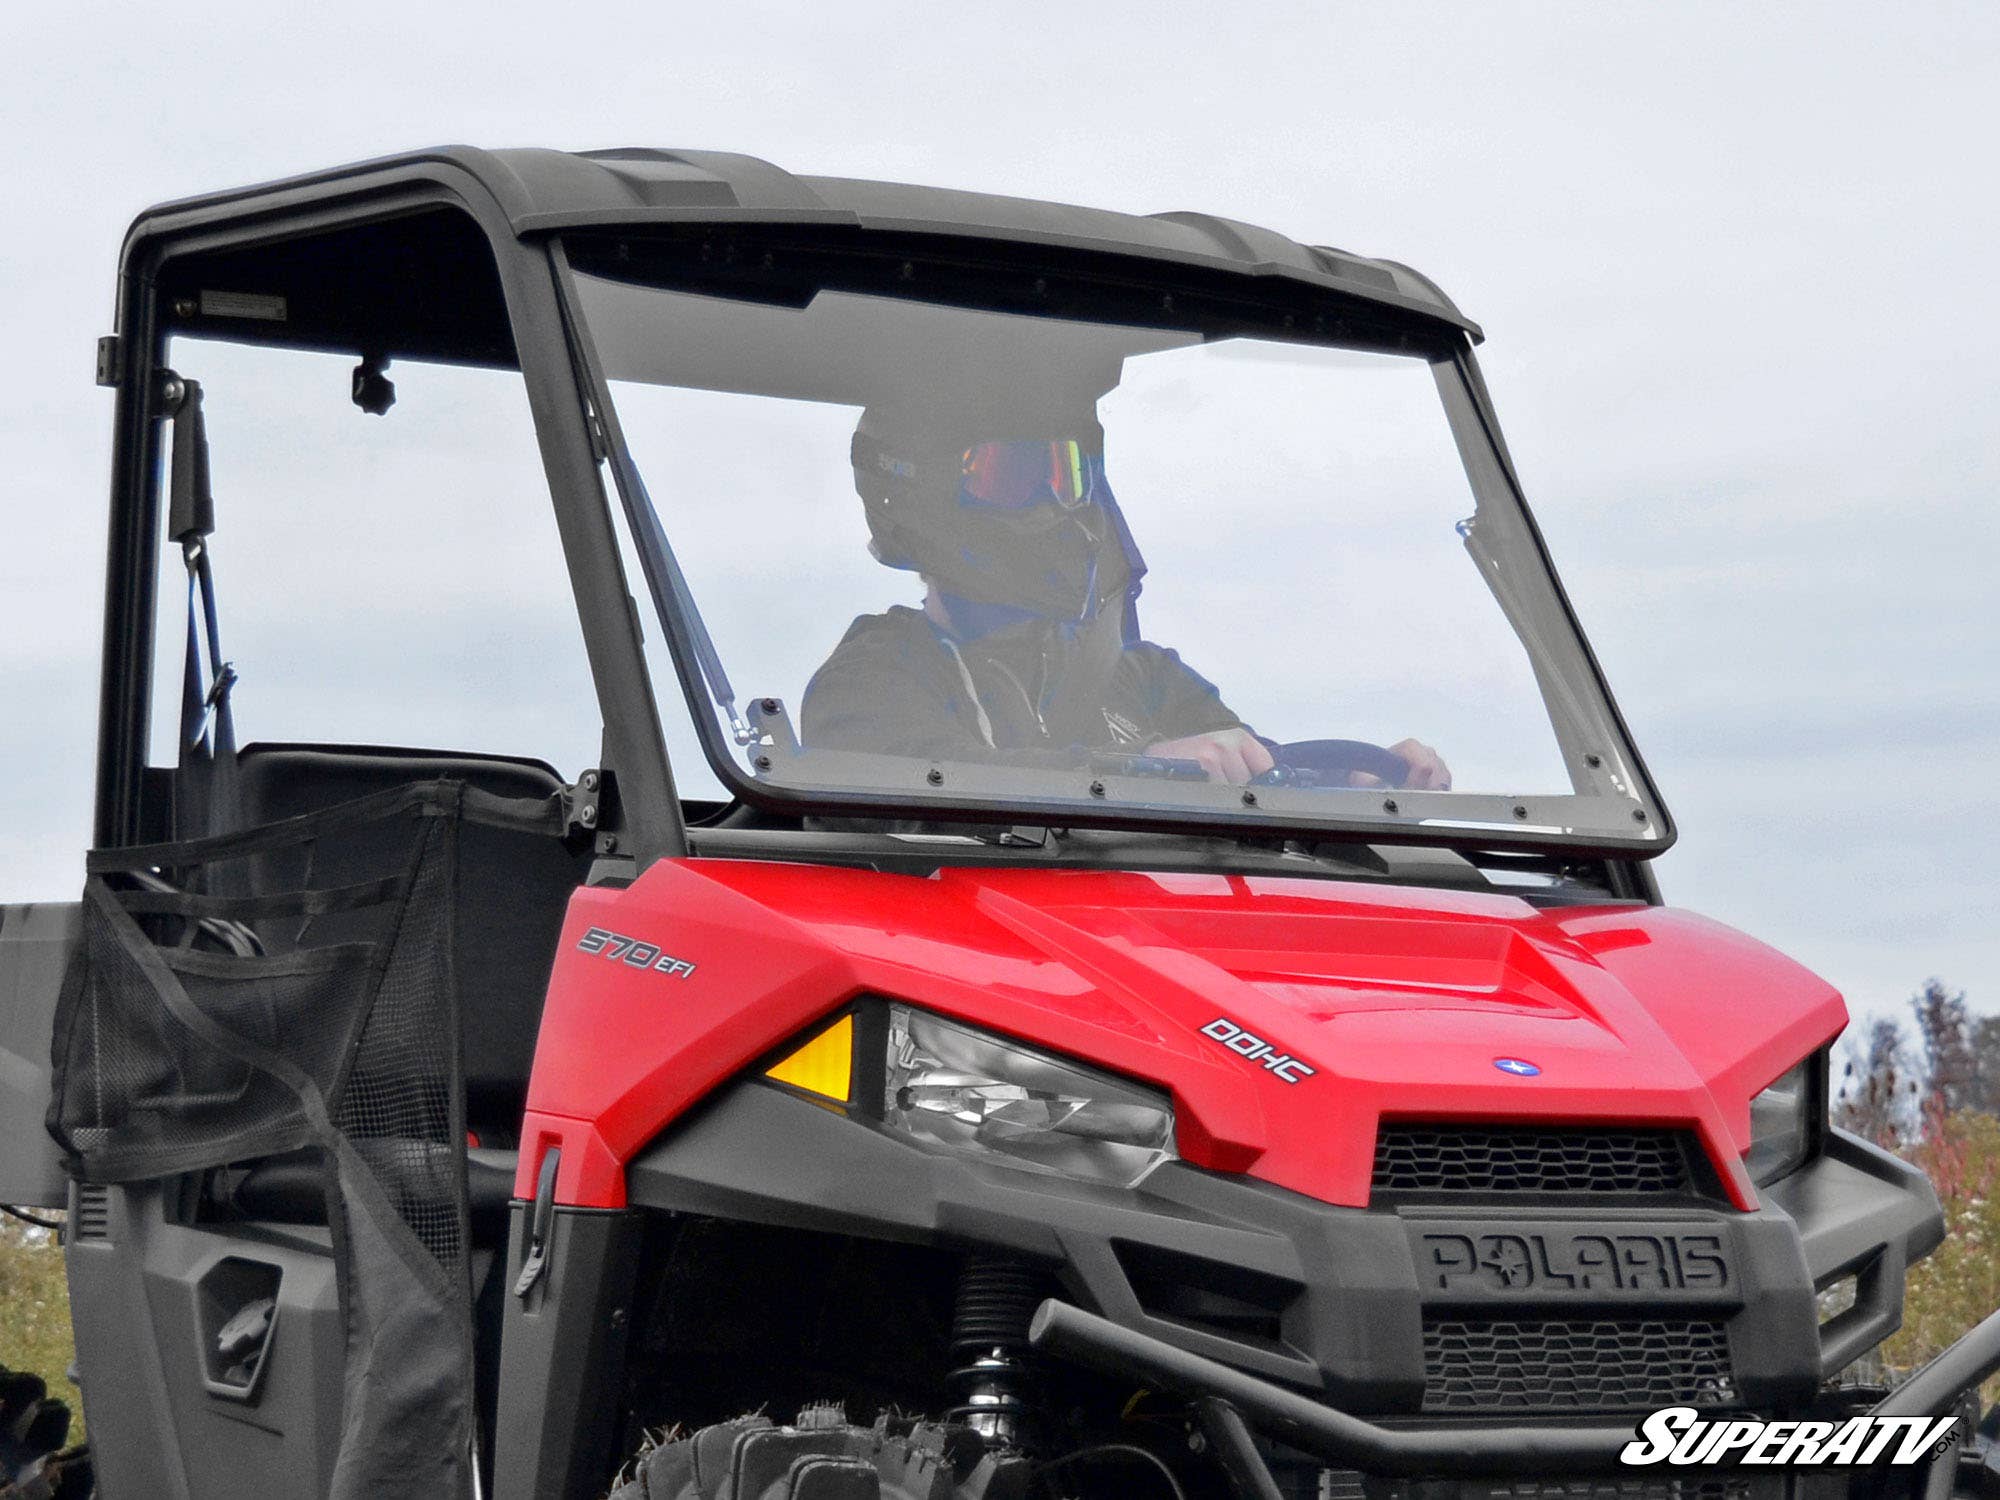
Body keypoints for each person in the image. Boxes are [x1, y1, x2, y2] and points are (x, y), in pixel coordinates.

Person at [800, 403, 1449, 790]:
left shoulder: (1143, 677)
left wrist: (1357, 781)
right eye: (1016, 475)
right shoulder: (877, 674)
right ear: (923, 494)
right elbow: (914, 788)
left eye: (1069, 474)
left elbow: (1260, 778)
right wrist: (1142, 770)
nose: (1056, 504)